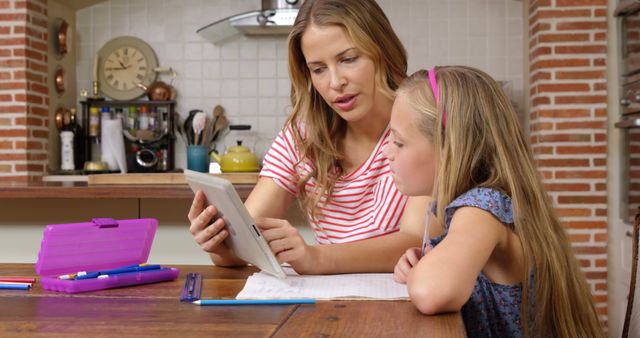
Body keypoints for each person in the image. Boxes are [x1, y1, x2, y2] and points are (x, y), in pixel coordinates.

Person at [188, 0, 428, 275]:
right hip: (329, 311)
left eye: (348, 59)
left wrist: (316, 258)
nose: (335, 82)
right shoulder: (301, 136)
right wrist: (220, 244)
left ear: (383, 51)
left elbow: (416, 241)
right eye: (318, 69)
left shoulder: (425, 122)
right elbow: (247, 238)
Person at [385, 66, 604, 337]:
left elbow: (431, 293)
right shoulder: (478, 205)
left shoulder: (481, 209)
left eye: (398, 142)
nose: (387, 152)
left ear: (450, 146)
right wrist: (429, 259)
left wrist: (419, 272)